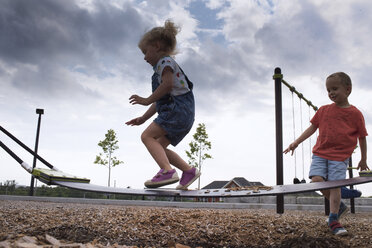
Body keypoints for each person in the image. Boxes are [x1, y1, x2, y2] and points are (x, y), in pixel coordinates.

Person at [284, 72, 369, 236]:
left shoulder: (355, 114)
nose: (331, 93)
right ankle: (339, 204)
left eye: (335, 89)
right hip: (320, 153)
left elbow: (362, 137)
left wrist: (363, 158)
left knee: (334, 184)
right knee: (317, 180)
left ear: (348, 90)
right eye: (328, 90)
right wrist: (296, 142)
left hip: (339, 156)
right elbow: (312, 128)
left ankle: (334, 218)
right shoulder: (323, 110)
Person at [126, 20, 200, 190]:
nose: (144, 57)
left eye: (145, 52)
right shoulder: (163, 68)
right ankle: (188, 171)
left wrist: (145, 100)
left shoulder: (165, 63)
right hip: (183, 114)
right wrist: (143, 118)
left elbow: (166, 86)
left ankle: (167, 171)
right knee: (157, 145)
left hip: (177, 111)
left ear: (157, 46)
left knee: (146, 137)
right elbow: (162, 99)